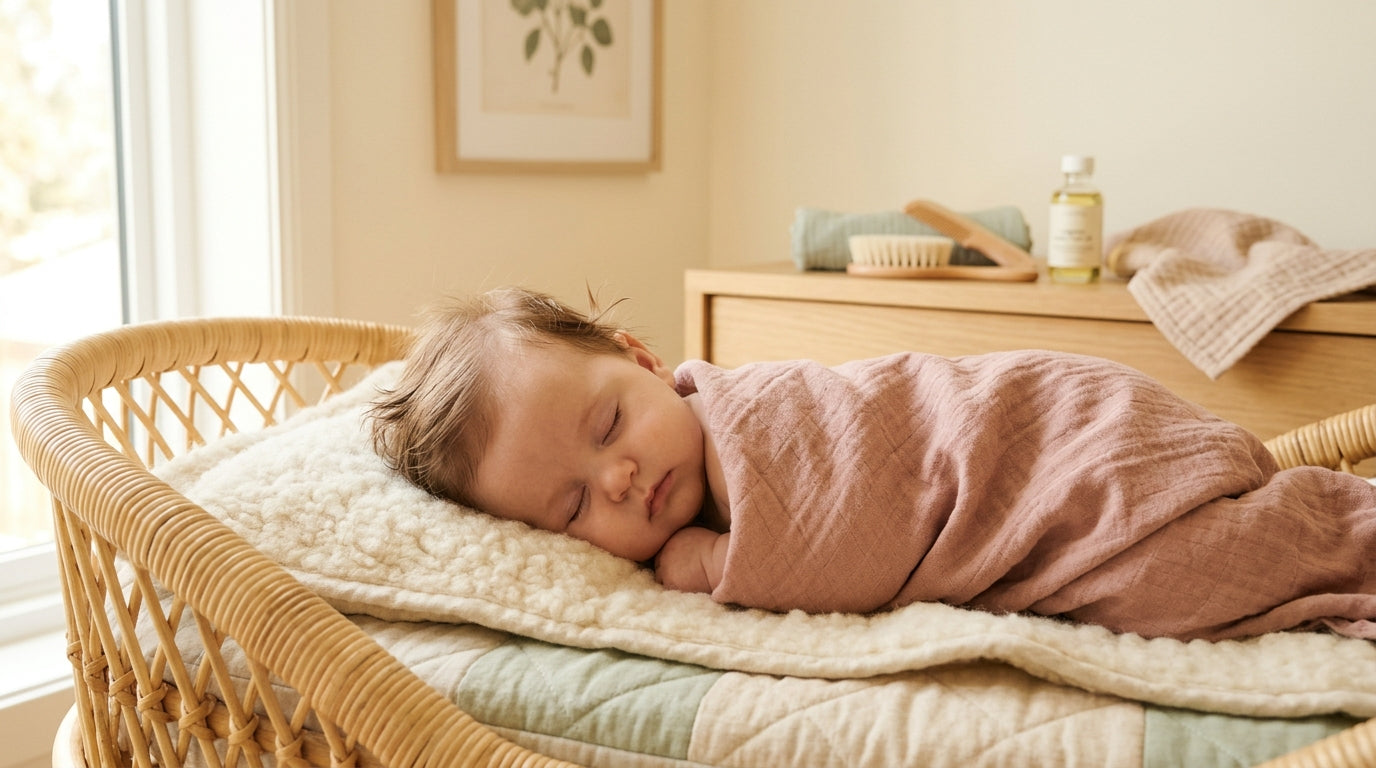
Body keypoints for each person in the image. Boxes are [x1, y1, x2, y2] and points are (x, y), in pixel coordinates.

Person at [370, 286, 1376, 642]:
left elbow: (842, 529)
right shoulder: (682, 470)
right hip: (1059, 456)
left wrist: (711, 568)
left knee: (1181, 576)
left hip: (1065, 448)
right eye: (572, 505)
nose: (622, 480)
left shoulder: (756, 417)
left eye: (608, 428)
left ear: (643, 361)